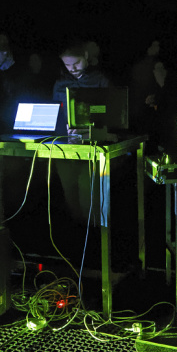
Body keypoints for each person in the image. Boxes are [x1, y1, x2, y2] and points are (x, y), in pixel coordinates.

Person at [52, 42, 111, 224]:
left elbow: (112, 113)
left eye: (76, 63)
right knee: (70, 194)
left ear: (86, 56)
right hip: (66, 147)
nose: (72, 69)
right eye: (67, 65)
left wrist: (91, 130)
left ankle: (93, 233)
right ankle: (77, 234)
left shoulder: (100, 80)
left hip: (92, 146)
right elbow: (55, 114)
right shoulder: (60, 83)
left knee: (88, 194)